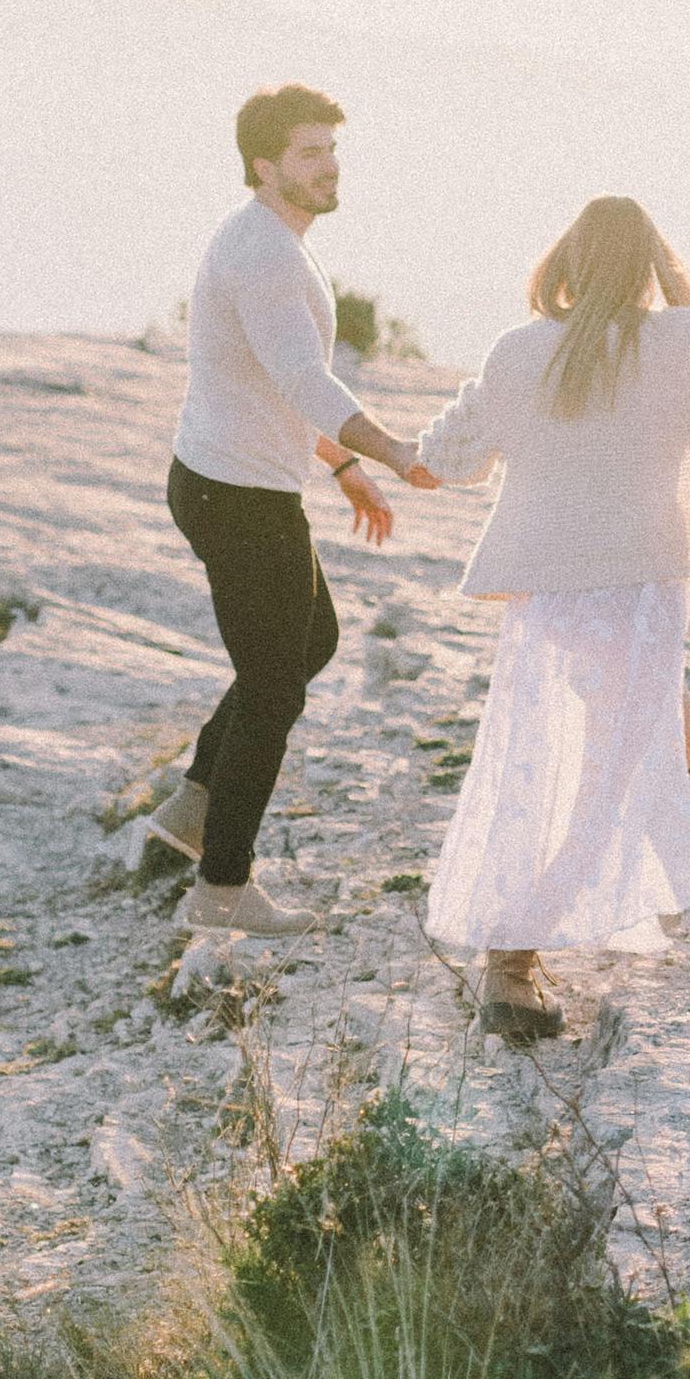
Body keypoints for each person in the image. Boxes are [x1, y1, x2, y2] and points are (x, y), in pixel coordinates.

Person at [414, 200, 690, 1034]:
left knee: (573, 734)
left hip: (548, 597)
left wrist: (461, 415)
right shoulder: (679, 341)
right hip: (638, 579)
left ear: (564, 260)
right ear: (648, 264)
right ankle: (512, 958)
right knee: (607, 773)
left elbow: (447, 457)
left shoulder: (520, 352)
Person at [151, 83, 436, 938]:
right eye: (310, 153)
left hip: (235, 480)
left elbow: (265, 380)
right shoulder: (267, 255)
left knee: (310, 643)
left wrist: (340, 462)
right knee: (275, 686)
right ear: (264, 165)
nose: (329, 166)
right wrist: (393, 451)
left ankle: (195, 805)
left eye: (331, 149)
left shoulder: (275, 239)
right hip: (236, 495)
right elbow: (304, 381)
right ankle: (222, 890)